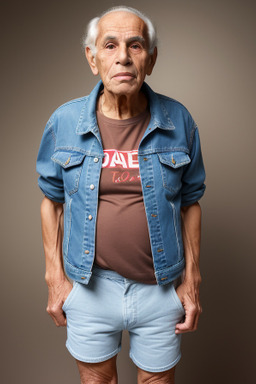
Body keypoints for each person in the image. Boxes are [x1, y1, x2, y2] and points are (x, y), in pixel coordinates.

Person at [36, 5, 206, 384]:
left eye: (136, 45)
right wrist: (55, 279)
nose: (123, 57)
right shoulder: (64, 122)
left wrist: (191, 282)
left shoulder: (179, 121)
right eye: (109, 45)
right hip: (91, 286)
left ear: (152, 58)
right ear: (92, 58)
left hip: (161, 288)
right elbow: (52, 201)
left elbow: (191, 202)